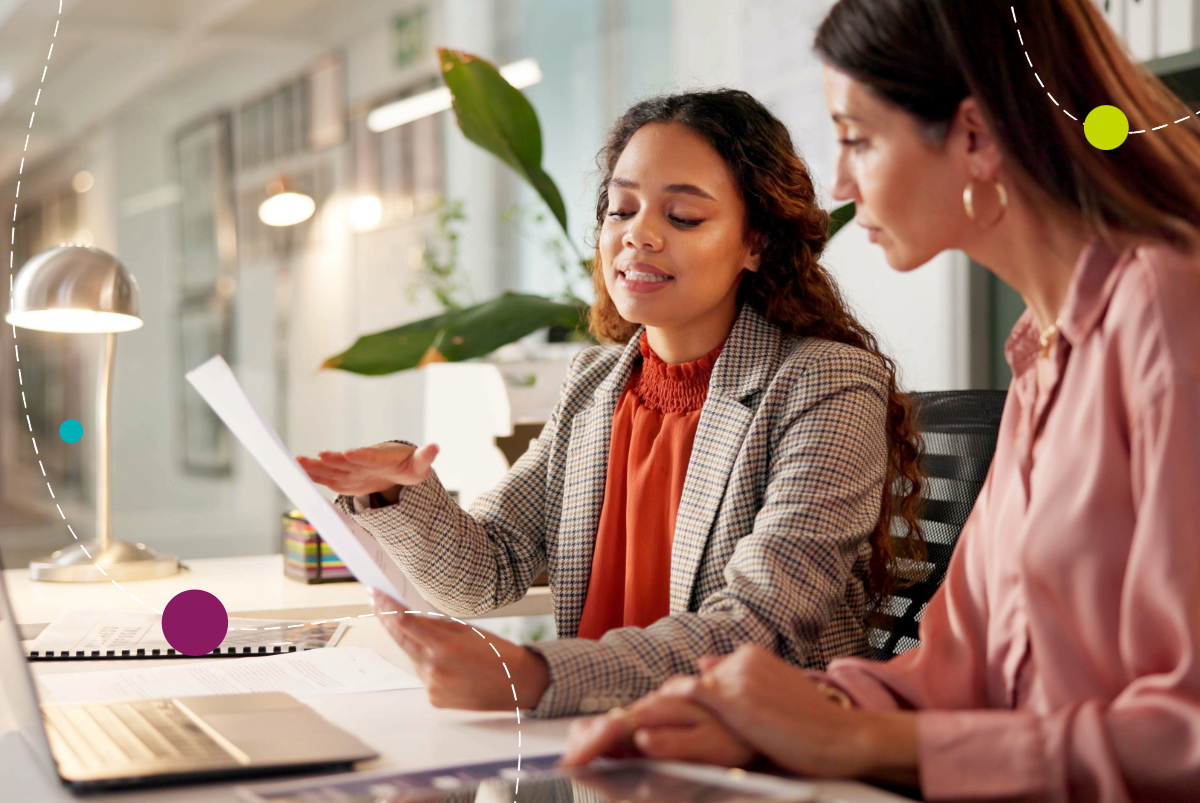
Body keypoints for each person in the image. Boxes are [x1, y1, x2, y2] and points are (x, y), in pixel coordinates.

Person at [561, 0, 1200, 799]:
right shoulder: (1046, 353)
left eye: (857, 138)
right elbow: (956, 671)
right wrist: (771, 713)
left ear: (971, 137)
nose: (837, 181)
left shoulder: (1170, 314)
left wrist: (857, 736)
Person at [298, 89, 924, 719]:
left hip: (749, 758)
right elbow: (488, 571)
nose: (638, 235)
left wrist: (536, 675)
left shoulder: (826, 383)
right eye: (621, 209)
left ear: (755, 242)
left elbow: (759, 625)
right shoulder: (595, 384)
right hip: (600, 751)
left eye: (682, 217)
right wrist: (397, 490)